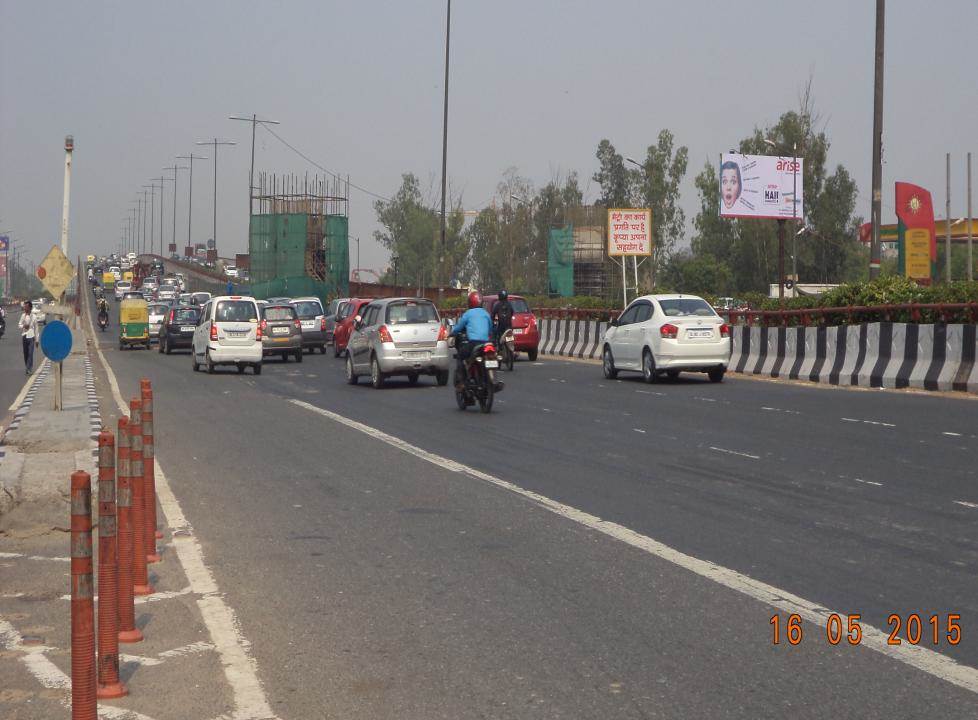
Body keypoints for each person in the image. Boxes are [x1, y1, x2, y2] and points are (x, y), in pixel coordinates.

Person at [451, 291, 492, 391]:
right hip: (486, 343)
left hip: (474, 343)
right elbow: (491, 328)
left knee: (460, 356)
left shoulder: (468, 314)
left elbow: (459, 327)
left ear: (470, 302)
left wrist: (451, 333)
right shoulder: (486, 313)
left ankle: (461, 382)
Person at [19, 301, 38, 375]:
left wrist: (37, 340)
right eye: (24, 307)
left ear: (30, 308)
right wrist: (23, 326)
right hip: (24, 336)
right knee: (26, 353)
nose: (25, 308)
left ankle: (29, 368)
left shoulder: (34, 317)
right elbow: (19, 324)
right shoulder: (23, 316)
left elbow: (36, 328)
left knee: (30, 353)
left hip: (31, 336)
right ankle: (27, 366)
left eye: (26, 307)